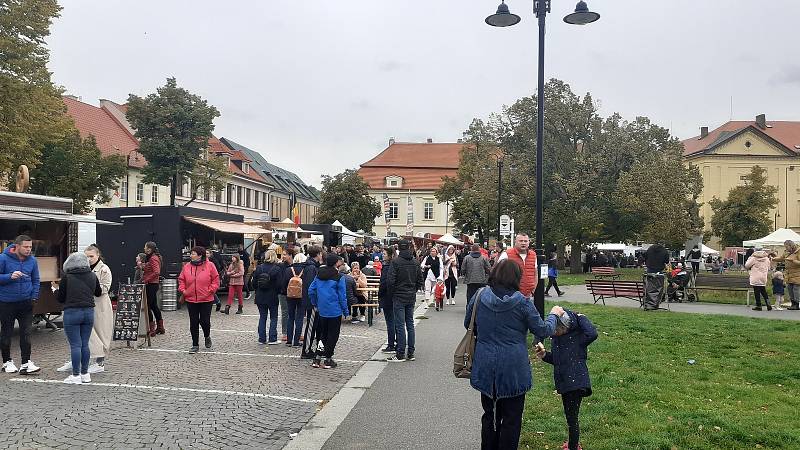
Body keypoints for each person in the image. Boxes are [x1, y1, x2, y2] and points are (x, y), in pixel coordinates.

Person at [465, 259, 564, 450]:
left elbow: (468, 324)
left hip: (485, 363)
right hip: (513, 366)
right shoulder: (523, 302)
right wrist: (554, 314)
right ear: (516, 278)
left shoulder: (479, 296)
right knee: (512, 418)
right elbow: (543, 330)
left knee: (489, 415)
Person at [535, 309, 598, 450]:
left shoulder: (579, 338)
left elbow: (593, 333)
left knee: (572, 419)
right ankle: (573, 443)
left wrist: (581, 317)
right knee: (570, 417)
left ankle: (573, 446)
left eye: (557, 330)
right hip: (565, 383)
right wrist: (544, 355)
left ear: (565, 327)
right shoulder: (558, 340)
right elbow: (559, 360)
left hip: (576, 383)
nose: (554, 333)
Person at [57, 245, 113, 374]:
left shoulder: (104, 269)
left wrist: (85, 290)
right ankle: (77, 361)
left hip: (100, 307)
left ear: (98, 255)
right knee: (80, 338)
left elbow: (104, 288)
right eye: (86, 256)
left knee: (100, 334)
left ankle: (99, 363)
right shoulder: (81, 269)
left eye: (91, 256)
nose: (88, 259)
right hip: (85, 305)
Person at [52, 252, 101, 384]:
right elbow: (98, 292)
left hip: (72, 313)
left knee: (75, 345)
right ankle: (85, 374)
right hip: (89, 312)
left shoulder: (66, 278)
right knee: (85, 344)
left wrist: (54, 290)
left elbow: (61, 298)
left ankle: (75, 375)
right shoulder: (92, 275)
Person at [0, 235, 41, 374]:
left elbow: (36, 279)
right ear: (16, 246)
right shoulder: (3, 258)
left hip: (26, 302)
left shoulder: (33, 261)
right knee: (7, 332)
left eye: (30, 247)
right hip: (6, 302)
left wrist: (34, 296)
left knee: (26, 333)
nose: (29, 249)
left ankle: (25, 363)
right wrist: (8, 276)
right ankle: (7, 361)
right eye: (26, 247)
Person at [308, 254, 348, 369]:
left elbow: (311, 290)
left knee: (322, 335)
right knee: (332, 335)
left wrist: (315, 302)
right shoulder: (339, 277)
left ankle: (317, 357)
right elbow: (342, 296)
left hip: (322, 310)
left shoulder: (319, 275)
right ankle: (328, 359)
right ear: (336, 263)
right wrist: (345, 310)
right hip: (334, 310)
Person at [386, 240, 424, 362]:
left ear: (399, 249)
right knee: (410, 324)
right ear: (409, 248)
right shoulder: (415, 262)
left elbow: (390, 281)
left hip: (399, 296)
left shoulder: (396, 262)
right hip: (410, 295)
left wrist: (392, 294)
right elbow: (420, 280)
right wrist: (413, 290)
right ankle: (411, 352)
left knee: (400, 325)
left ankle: (400, 353)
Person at [178, 246, 219, 353]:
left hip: (206, 299)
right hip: (191, 299)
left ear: (200, 255)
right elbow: (181, 279)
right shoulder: (187, 266)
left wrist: (211, 290)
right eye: (191, 253)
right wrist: (183, 290)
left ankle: (207, 336)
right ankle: (195, 344)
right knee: (193, 322)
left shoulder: (210, 265)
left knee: (205, 321)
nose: (190, 255)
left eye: (193, 253)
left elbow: (216, 279)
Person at [252, 250, 284, 344]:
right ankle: (272, 338)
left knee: (262, 317)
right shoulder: (277, 269)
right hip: (272, 296)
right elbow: (279, 284)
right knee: (273, 317)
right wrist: (277, 291)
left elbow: (254, 283)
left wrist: (257, 290)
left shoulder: (259, 268)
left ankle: (261, 339)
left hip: (260, 296)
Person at [285, 253, 308, 347]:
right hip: (302, 296)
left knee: (290, 317)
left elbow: (284, 283)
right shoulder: (306, 270)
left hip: (290, 296)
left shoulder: (288, 270)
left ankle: (289, 340)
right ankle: (296, 341)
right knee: (299, 318)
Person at [771, 240, 800, 310]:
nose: (786, 248)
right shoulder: (786, 252)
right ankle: (793, 304)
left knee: (796, 289)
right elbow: (781, 258)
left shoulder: (798, 251)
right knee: (790, 289)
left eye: (787, 247)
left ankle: (796, 304)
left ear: (791, 245)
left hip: (797, 274)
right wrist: (774, 259)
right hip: (788, 274)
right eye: (785, 247)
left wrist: (793, 261)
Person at [142, 241, 164, 336]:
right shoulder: (153, 257)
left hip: (151, 284)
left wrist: (146, 279)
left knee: (148, 306)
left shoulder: (153, 258)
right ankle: (160, 327)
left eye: (145, 247)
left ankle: (151, 329)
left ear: (149, 249)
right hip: (152, 284)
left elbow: (156, 272)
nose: (144, 248)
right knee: (154, 306)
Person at [378, 247, 396, 354]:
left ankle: (391, 344)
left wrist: (379, 294)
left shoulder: (387, 267)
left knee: (390, 321)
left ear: (389, 255)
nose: (382, 255)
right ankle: (396, 342)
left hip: (387, 297)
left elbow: (383, 283)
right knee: (395, 321)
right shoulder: (395, 266)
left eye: (384, 254)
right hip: (395, 296)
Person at [643, 243, 670, 311]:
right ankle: (655, 303)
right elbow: (666, 261)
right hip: (659, 270)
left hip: (650, 269)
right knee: (658, 287)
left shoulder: (650, 248)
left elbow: (645, 256)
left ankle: (648, 303)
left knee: (649, 287)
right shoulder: (664, 251)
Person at [278, 250, 293, 342]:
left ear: (290, 255)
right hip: (283, 292)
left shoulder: (295, 265)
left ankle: (293, 331)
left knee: (294, 312)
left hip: (294, 292)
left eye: (285, 254)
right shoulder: (280, 266)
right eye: (282, 255)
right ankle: (285, 333)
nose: (283, 256)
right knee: (285, 312)